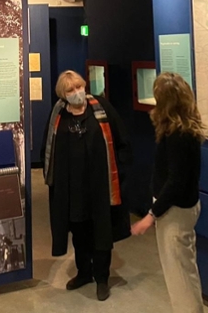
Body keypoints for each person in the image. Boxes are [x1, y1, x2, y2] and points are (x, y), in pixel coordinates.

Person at [41, 70, 132, 301]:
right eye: (70, 90)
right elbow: (48, 148)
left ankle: (102, 278)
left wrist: (120, 172)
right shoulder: (58, 115)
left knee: (101, 233)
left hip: (100, 187)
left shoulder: (101, 108)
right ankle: (84, 272)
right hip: (72, 189)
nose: (77, 93)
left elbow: (122, 141)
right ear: (63, 94)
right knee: (79, 233)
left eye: (79, 87)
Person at [131, 72, 204, 313]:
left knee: (180, 279)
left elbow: (175, 182)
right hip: (182, 209)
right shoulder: (184, 128)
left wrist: (151, 215)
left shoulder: (178, 135)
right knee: (185, 271)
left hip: (174, 214)